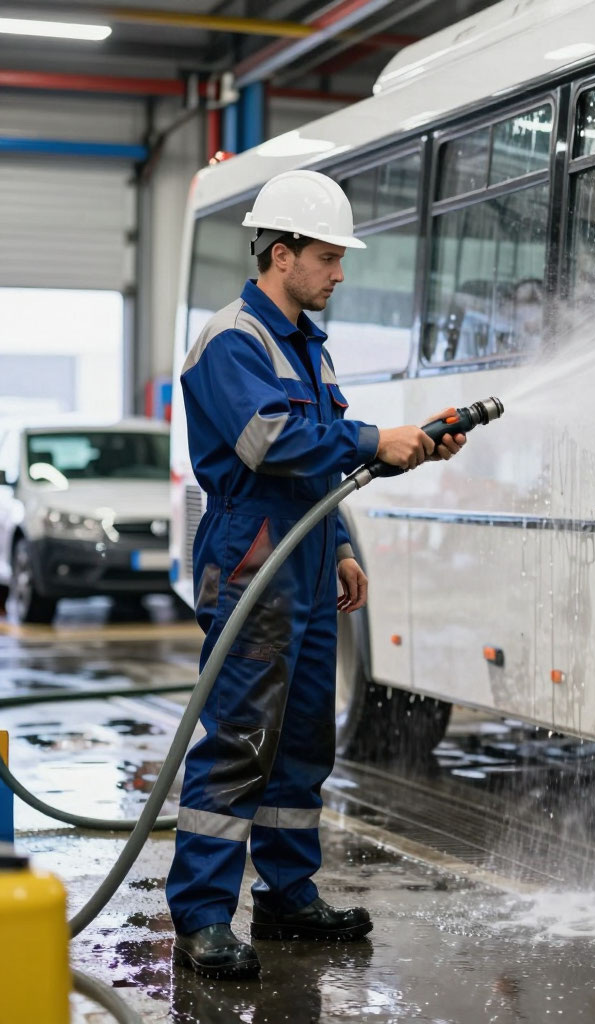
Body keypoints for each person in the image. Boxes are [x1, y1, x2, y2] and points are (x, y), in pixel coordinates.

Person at [166, 169, 465, 979]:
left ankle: (287, 895)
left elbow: (320, 470)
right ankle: (200, 920)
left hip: (301, 554)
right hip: (251, 558)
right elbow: (271, 444)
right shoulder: (234, 340)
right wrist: (374, 441)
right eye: (328, 258)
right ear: (281, 252)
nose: (339, 274)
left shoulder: (308, 346)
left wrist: (338, 542)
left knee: (300, 742)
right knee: (239, 741)